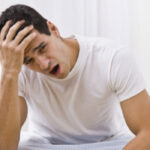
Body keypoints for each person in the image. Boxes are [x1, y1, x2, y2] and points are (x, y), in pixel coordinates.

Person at [0, 4, 150, 150]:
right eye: (29, 61)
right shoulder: (16, 70)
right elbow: (5, 147)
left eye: (42, 48)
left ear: (53, 29)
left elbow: (147, 133)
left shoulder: (112, 58)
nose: (43, 64)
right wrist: (8, 73)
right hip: (45, 145)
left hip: (106, 144)